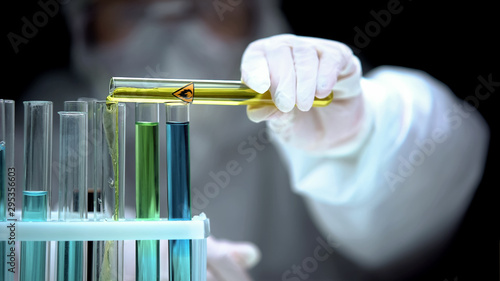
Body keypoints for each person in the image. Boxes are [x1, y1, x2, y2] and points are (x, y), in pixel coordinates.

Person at [14, 0, 490, 280]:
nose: (172, 22)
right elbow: (12, 241)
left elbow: (439, 161)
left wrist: (363, 135)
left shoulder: (310, 97)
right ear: (84, 22)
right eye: (132, 6)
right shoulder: (46, 122)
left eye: (208, 3)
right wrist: (92, 261)